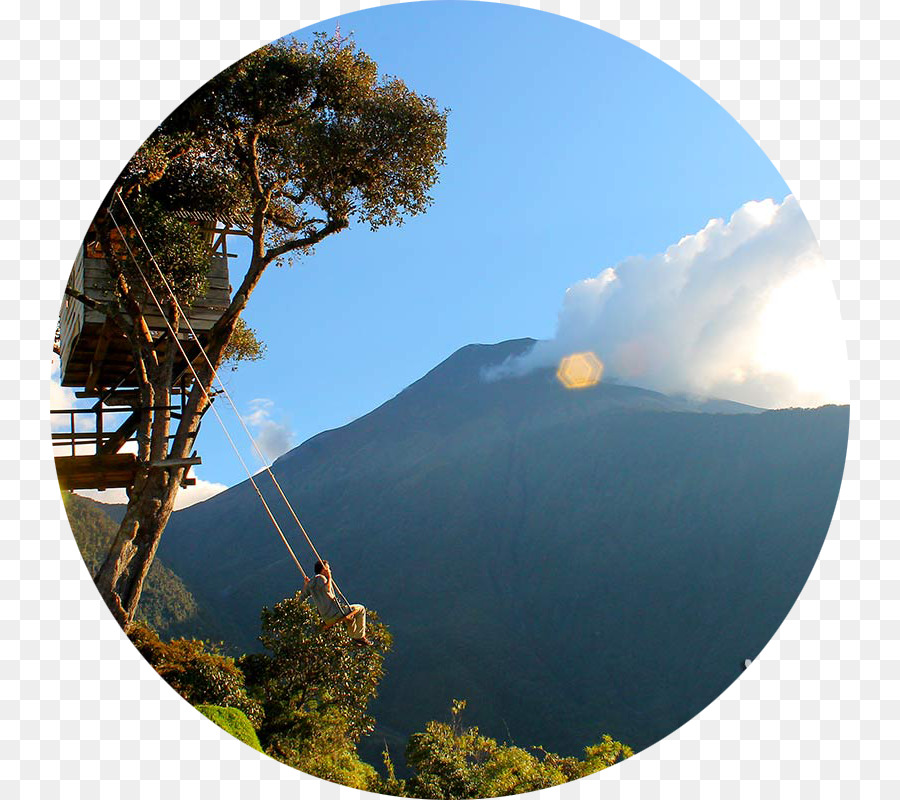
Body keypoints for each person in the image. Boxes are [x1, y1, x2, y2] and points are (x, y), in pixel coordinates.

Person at [299, 559, 372, 646]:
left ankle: (356, 637)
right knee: (360, 609)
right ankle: (359, 636)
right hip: (335, 613)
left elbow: (301, 598)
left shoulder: (311, 584)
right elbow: (328, 589)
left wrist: (306, 585)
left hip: (326, 618)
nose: (329, 570)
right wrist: (329, 577)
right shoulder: (321, 578)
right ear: (323, 570)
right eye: (328, 569)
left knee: (350, 617)